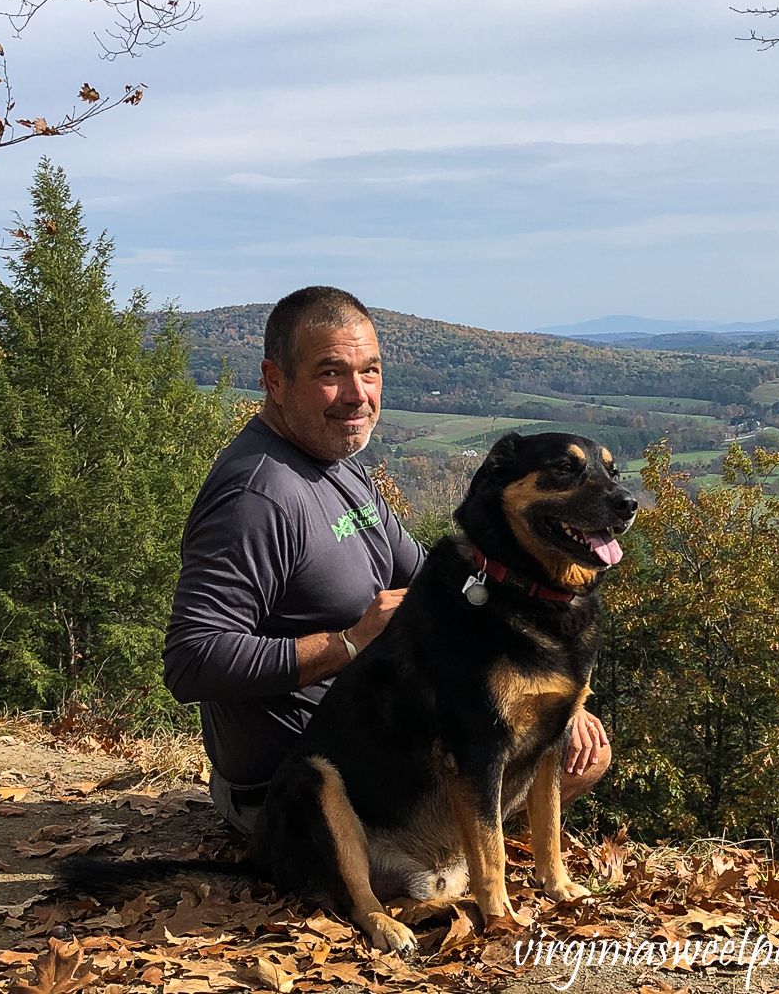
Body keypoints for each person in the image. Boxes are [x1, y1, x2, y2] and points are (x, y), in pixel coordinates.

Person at [163, 285, 610, 835]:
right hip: (302, 797)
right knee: (506, 756)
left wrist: (554, 695)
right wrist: (347, 643)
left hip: (387, 741)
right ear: (275, 381)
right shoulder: (256, 498)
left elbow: (438, 582)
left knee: (578, 750)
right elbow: (191, 661)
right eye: (331, 374)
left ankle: (455, 859)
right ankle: (443, 866)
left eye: (370, 371)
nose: (357, 395)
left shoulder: (338, 462)